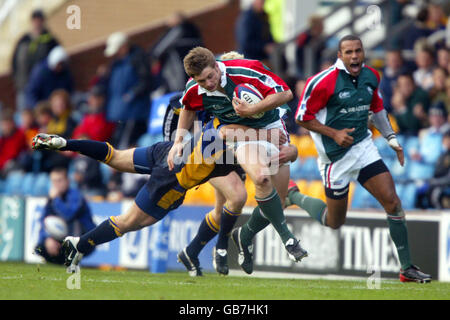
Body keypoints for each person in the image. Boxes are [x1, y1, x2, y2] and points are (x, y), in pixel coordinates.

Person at [30, 118, 289, 270]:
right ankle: (80, 245)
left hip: (166, 151)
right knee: (129, 222)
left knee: (115, 156)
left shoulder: (209, 104)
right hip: (173, 178)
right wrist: (270, 138)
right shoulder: (238, 137)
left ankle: (66, 142)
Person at [295, 35, 431, 283]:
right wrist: (333, 133)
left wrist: (391, 138)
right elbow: (301, 117)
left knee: (392, 201)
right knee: (334, 221)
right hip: (335, 158)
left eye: (358, 51)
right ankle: (293, 195)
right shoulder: (322, 82)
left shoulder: (372, 76)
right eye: (348, 52)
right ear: (340, 55)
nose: (354, 56)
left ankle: (407, 268)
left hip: (363, 147)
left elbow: (377, 109)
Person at [168, 46, 311, 275]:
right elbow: (188, 109)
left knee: (277, 201)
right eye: (202, 81)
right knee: (243, 191)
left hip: (268, 129)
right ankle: (282, 240)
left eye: (210, 77)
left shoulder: (248, 72)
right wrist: (177, 142)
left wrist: (253, 111)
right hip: (226, 142)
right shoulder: (194, 90)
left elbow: (285, 95)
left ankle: (241, 236)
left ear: (217, 66)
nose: (208, 84)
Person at [34, 167, 96, 264]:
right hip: (61, 240)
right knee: (40, 247)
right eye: (54, 181)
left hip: (83, 239)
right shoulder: (51, 200)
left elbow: (69, 215)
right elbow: (43, 221)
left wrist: (56, 199)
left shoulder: (76, 196)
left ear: (67, 181)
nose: (56, 185)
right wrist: (47, 238)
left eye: (59, 180)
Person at [103, 32, 152, 149]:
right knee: (120, 142)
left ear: (124, 46)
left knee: (126, 145)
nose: (116, 54)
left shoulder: (137, 58)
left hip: (134, 111)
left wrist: (131, 94)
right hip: (120, 111)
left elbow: (145, 81)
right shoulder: (116, 63)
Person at [11, 9, 59, 111]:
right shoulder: (24, 40)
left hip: (42, 87)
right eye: (35, 20)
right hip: (23, 85)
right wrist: (16, 79)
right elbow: (14, 61)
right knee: (25, 112)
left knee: (42, 112)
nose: (37, 23)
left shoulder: (50, 40)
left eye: (39, 20)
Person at [149, 11, 204, 92]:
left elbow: (159, 49)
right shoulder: (194, 31)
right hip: (196, 73)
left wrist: (152, 56)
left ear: (178, 20)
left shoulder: (178, 30)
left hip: (178, 74)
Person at [0, 109, 27, 177]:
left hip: (16, 165)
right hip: (3, 166)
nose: (6, 127)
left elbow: (14, 154)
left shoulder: (20, 134)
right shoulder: (2, 138)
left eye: (7, 124)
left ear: (13, 124)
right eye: (4, 125)